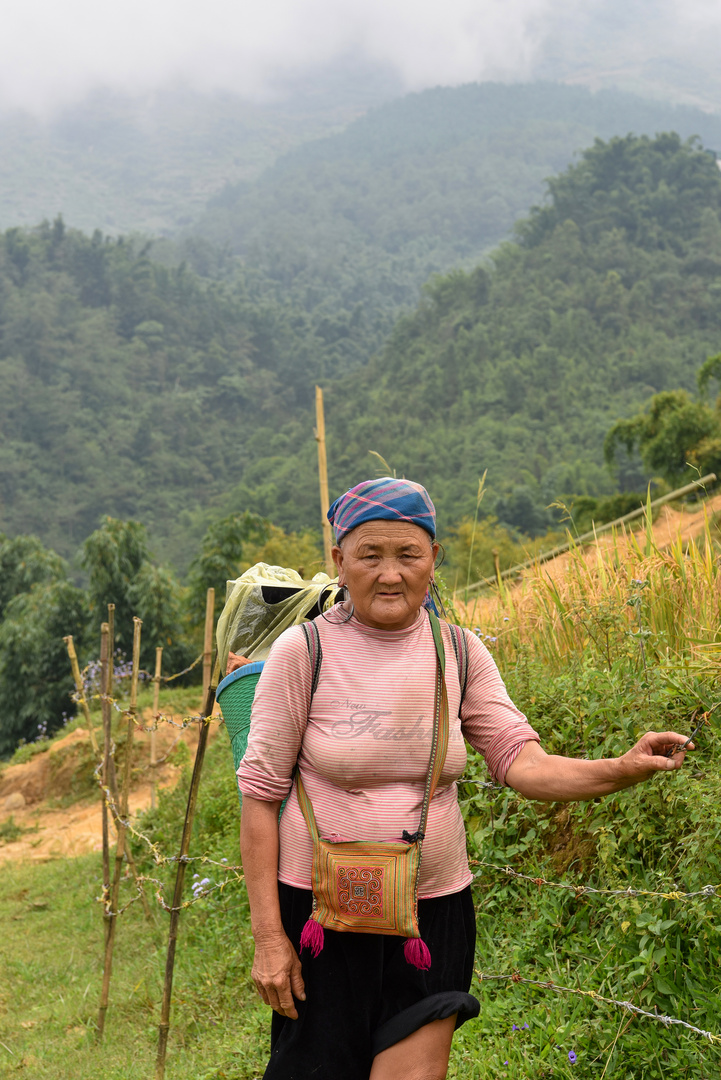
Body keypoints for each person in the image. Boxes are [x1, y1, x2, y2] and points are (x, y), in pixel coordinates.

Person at [238, 477, 693, 1080]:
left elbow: (521, 762)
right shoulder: (305, 652)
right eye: (370, 555)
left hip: (431, 915)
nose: (390, 574)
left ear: (434, 560)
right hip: (319, 921)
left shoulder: (460, 652)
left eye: (409, 554)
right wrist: (270, 937)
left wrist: (623, 767)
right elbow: (260, 799)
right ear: (339, 561)